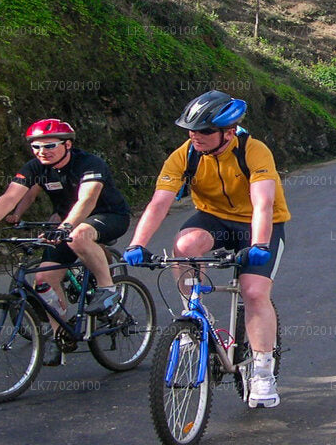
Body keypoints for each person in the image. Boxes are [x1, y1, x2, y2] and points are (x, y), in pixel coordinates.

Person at [124, 91, 289, 408]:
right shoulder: (185, 155)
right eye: (191, 130)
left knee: (254, 291)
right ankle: (194, 315)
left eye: (204, 131)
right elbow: (160, 202)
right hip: (214, 218)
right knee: (184, 246)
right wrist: (137, 243)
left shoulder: (254, 151)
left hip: (258, 224)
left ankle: (264, 373)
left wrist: (258, 244)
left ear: (228, 131)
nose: (195, 136)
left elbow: (263, 203)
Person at [0, 118, 130, 366]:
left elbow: (87, 200)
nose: (42, 152)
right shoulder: (34, 168)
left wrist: (64, 227)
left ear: (68, 144)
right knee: (43, 280)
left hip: (107, 215)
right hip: (68, 222)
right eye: (36, 147)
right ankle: (58, 335)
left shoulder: (90, 163)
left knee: (79, 235)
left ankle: (107, 290)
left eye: (50, 146)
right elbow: (8, 198)